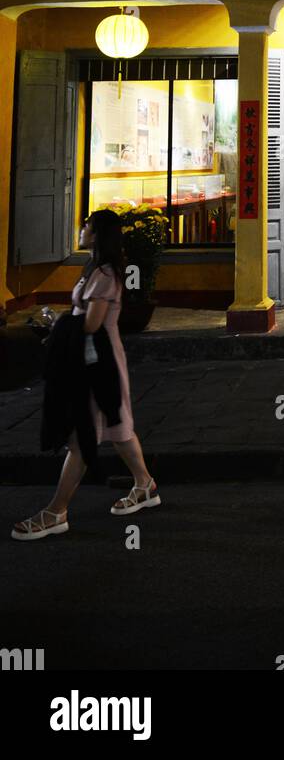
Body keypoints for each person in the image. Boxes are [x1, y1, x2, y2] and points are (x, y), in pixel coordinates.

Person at [12, 210, 161, 541]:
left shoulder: (106, 276)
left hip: (99, 364)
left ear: (98, 235)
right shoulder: (94, 269)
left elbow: (92, 324)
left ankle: (56, 511)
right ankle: (145, 484)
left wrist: (61, 325)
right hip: (93, 360)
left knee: (83, 439)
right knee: (118, 429)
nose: (81, 229)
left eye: (87, 226)